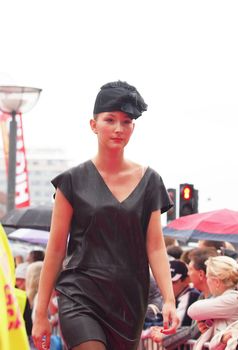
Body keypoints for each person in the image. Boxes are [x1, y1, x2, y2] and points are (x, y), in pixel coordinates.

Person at [32, 81, 179, 350]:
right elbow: (55, 250)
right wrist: (40, 312)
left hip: (128, 301)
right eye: (109, 120)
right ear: (93, 124)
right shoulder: (71, 181)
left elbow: (156, 247)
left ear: (133, 127)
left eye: (126, 121)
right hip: (80, 294)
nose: (118, 128)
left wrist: (169, 299)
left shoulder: (150, 182)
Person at [187, 256, 238, 350]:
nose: (207, 282)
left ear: (217, 282)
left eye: (207, 278)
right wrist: (209, 328)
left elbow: (192, 310)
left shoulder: (232, 299)